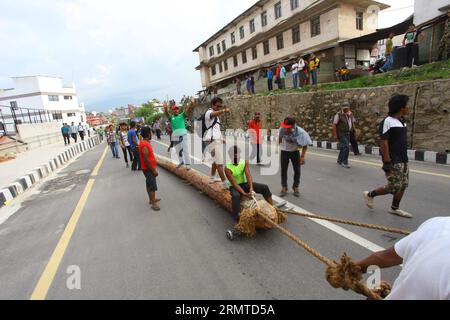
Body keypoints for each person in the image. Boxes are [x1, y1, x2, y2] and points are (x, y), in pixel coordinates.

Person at [354, 217, 450, 300]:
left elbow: (385, 257)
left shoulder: (439, 223)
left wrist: (350, 269)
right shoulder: (439, 224)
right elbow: (386, 257)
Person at [363, 94, 412, 218]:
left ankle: (395, 208)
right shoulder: (387, 121)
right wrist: (387, 162)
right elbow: (384, 142)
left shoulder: (402, 122)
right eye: (407, 106)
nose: (409, 108)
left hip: (403, 159)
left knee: (403, 185)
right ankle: (370, 195)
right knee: (395, 186)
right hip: (393, 159)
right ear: (401, 107)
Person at [225, 145, 273, 238]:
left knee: (264, 187)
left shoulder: (244, 162)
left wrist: (251, 188)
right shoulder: (227, 168)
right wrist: (244, 194)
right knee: (236, 197)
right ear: (231, 156)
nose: (238, 157)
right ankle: (237, 220)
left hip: (244, 184)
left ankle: (272, 209)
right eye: (235, 156)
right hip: (234, 187)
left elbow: (248, 176)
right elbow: (234, 184)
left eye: (239, 155)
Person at [279, 117, 312, 197]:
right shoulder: (282, 129)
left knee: (297, 170)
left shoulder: (301, 132)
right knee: (283, 170)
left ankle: (295, 187)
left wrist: (302, 156)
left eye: (288, 127)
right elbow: (280, 137)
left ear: (293, 125)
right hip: (284, 152)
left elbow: (305, 145)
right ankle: (284, 187)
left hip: (295, 152)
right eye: (285, 126)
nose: (286, 129)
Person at [203, 97, 231, 189]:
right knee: (219, 163)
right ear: (212, 105)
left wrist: (221, 138)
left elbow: (216, 129)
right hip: (212, 140)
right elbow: (213, 114)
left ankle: (212, 176)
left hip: (216, 139)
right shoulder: (209, 112)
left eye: (220, 106)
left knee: (216, 160)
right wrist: (223, 110)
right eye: (218, 106)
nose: (219, 108)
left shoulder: (216, 116)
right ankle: (224, 183)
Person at [164, 101, 193, 170]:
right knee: (178, 150)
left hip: (183, 135)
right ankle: (181, 162)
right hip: (175, 136)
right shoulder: (171, 118)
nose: (176, 110)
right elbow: (167, 114)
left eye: (177, 109)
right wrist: (165, 108)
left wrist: (191, 103)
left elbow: (187, 110)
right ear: (172, 111)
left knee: (185, 149)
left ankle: (188, 165)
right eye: (175, 109)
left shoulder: (182, 115)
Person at [139, 126, 161, 211]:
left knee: (148, 184)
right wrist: (153, 170)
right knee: (152, 186)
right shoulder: (144, 144)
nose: (152, 133)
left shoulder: (146, 142)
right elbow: (146, 159)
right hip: (148, 169)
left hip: (147, 168)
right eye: (151, 132)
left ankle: (151, 200)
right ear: (148, 134)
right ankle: (153, 204)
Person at [332, 102, 352, 168]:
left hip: (347, 133)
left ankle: (339, 160)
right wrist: (335, 135)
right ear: (342, 108)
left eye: (347, 108)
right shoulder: (338, 115)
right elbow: (334, 124)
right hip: (341, 133)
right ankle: (344, 162)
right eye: (345, 108)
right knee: (346, 147)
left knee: (343, 147)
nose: (346, 109)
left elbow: (351, 122)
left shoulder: (349, 114)